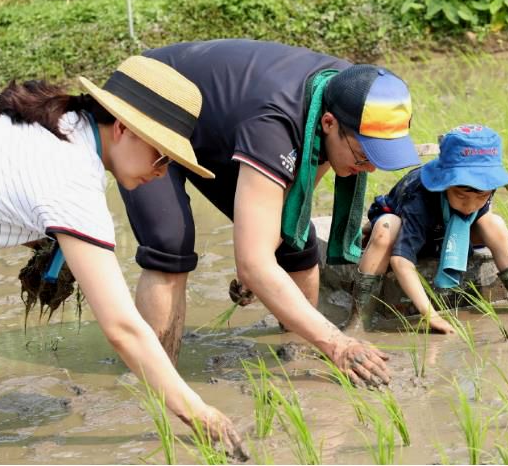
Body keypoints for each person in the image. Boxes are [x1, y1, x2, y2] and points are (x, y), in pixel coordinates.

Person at [0, 56, 244, 464]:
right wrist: (196, 410)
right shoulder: (71, 178)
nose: (163, 171)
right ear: (123, 128)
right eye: (162, 156)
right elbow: (123, 329)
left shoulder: (57, 121)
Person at [118, 39, 421, 387]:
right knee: (169, 243)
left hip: (223, 119)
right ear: (328, 123)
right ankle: (156, 380)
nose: (367, 169)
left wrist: (259, 260)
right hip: (151, 98)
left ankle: (297, 359)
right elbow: (254, 262)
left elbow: (295, 198)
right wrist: (337, 342)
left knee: (296, 242)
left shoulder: (349, 91)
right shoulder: (276, 124)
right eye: (364, 156)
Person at [350, 124, 508, 333]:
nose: (471, 205)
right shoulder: (420, 198)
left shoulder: (481, 195)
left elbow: (481, 211)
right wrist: (431, 315)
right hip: (410, 225)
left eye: (481, 197)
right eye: (461, 196)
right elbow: (401, 261)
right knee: (386, 228)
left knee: (494, 223)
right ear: (444, 183)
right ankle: (358, 322)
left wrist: (479, 204)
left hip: (447, 230)